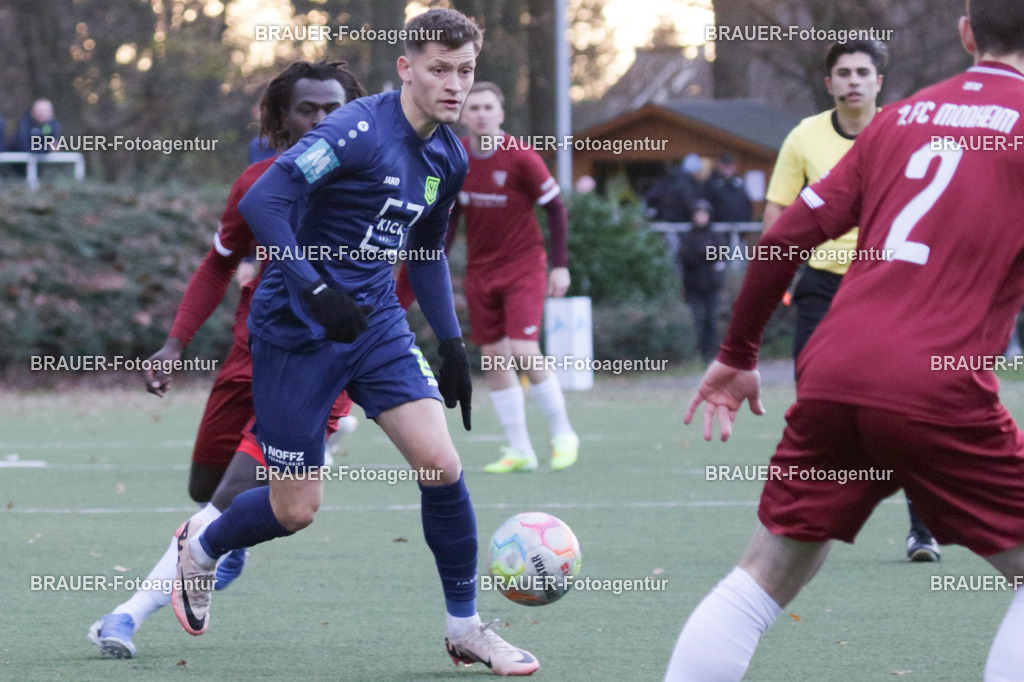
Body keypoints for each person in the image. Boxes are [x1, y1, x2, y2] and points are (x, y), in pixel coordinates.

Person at [170, 9, 539, 676]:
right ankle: (202, 548)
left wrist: (452, 344)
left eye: (466, 71)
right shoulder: (355, 130)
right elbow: (264, 204)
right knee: (295, 508)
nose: (454, 84)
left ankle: (466, 629)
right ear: (406, 68)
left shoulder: (450, 153)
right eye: (439, 69)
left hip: (376, 329)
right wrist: (311, 286)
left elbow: (425, 250)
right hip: (294, 333)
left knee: (441, 464)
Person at [668, 2, 1024, 679]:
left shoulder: (898, 120)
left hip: (833, 372)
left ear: (967, 33)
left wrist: (737, 354)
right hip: (935, 388)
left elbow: (779, 239)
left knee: (763, 576)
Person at [88, 60, 366, 659]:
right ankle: (226, 542)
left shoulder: (368, 179)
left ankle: (124, 615)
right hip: (250, 353)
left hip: (315, 365)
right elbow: (220, 262)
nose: (320, 119)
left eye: (332, 109)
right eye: (307, 109)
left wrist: (369, 347)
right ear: (280, 119)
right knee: (206, 488)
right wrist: (175, 343)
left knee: (223, 502)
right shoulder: (257, 182)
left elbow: (404, 268)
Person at [763, 39, 941, 562]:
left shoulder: (906, 130)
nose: (854, 81)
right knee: (813, 399)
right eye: (844, 73)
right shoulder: (804, 137)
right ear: (829, 83)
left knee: (908, 403)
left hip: (888, 280)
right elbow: (777, 215)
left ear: (879, 82)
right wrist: (774, 278)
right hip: (821, 281)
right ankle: (807, 522)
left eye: (864, 72)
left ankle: (921, 529)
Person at [438, 80, 578, 474]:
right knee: (493, 357)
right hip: (481, 272)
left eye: (488, 107)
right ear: (463, 115)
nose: (480, 114)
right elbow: (450, 219)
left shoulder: (521, 158)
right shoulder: (457, 157)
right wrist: (437, 262)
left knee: (523, 350)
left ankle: (563, 432)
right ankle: (520, 449)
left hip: (523, 267)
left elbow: (556, 209)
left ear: (500, 115)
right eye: (474, 108)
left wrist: (561, 265)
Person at [679, 199, 727, 363]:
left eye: (704, 214)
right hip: (694, 287)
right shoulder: (688, 237)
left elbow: (720, 254)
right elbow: (688, 258)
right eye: (698, 214)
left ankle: (711, 354)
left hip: (712, 286)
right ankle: (699, 354)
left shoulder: (715, 236)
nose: (701, 217)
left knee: (711, 322)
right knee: (697, 321)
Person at [645, 153, 704, 223]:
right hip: (679, 220)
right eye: (698, 171)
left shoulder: (670, 178)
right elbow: (690, 203)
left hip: (666, 219)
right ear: (694, 171)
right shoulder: (686, 183)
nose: (700, 174)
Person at [701, 154, 751, 224]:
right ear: (720, 165)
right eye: (725, 166)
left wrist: (747, 220)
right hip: (718, 226)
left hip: (739, 225)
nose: (727, 168)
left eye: (730, 165)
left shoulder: (739, 182)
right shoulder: (711, 182)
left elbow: (747, 203)